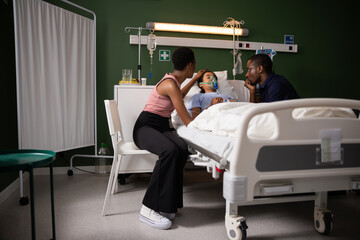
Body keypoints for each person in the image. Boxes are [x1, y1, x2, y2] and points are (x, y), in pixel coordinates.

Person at [133, 47, 206, 230]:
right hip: (145, 127)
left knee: (181, 148)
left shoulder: (174, 82)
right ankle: (148, 208)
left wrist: (195, 79)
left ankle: (167, 205)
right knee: (169, 150)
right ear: (190, 65)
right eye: (194, 64)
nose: (194, 67)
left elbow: (179, 95)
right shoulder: (170, 84)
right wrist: (208, 123)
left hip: (160, 127)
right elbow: (187, 120)